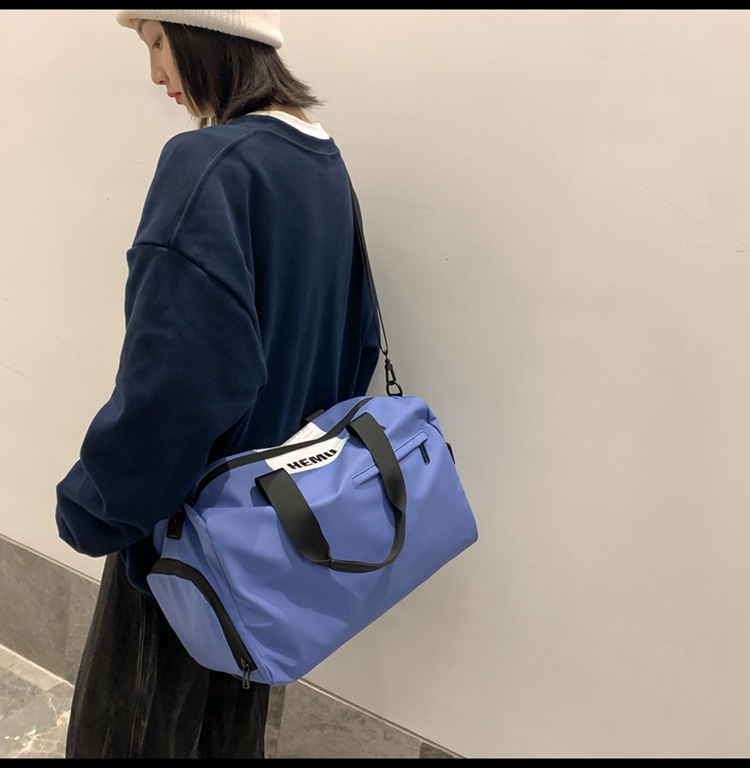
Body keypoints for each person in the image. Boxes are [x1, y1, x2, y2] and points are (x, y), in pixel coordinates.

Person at [55, 9, 380, 759]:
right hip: (270, 546)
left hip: (181, 555)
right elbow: (356, 343)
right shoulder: (322, 162)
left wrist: (94, 507)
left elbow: (174, 385)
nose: (155, 73)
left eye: (156, 41)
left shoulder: (209, 164)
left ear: (205, 32)